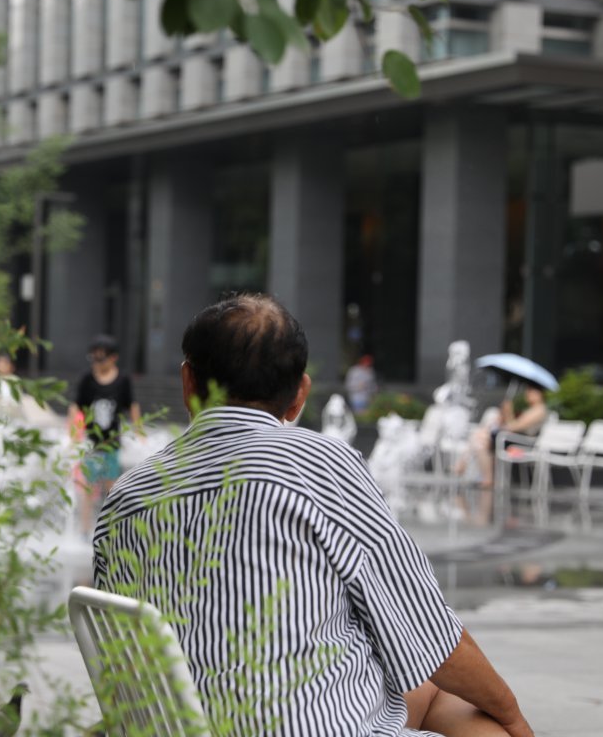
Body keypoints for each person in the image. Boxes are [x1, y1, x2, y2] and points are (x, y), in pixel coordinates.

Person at [94, 294, 533, 737]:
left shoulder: (126, 495)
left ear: (188, 382)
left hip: (177, 727)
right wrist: (514, 719)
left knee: (423, 693)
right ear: (299, 395)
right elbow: (429, 636)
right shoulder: (318, 463)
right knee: (473, 710)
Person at [69, 335, 141, 537]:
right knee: (88, 487)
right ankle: (84, 529)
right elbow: (75, 407)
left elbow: (132, 406)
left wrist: (139, 431)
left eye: (101, 359)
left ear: (113, 358)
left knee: (112, 486)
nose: (96, 363)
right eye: (93, 358)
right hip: (91, 444)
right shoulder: (87, 379)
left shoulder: (123, 380)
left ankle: (111, 530)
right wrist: (73, 433)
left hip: (112, 444)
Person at [455, 385, 549, 489]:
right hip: (513, 439)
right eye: (528, 391)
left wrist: (509, 412)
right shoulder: (531, 409)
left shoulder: (539, 410)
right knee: (480, 439)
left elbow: (514, 427)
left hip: (523, 443)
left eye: (531, 391)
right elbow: (512, 426)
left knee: (481, 439)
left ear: (540, 394)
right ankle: (482, 475)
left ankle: (474, 470)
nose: (527, 394)